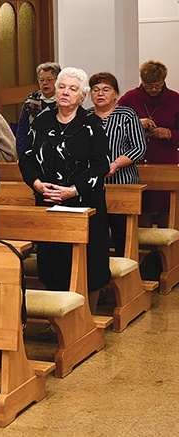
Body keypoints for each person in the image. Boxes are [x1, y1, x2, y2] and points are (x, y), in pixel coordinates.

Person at [19, 67, 111, 312]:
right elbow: (26, 158)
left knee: (89, 264)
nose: (65, 93)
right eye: (62, 87)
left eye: (72, 89)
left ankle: (87, 317)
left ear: (81, 96)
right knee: (52, 262)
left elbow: (101, 165)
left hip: (85, 204)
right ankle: (59, 316)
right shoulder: (41, 121)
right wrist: (36, 183)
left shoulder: (91, 124)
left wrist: (73, 190)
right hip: (49, 203)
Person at [88, 72, 146, 257]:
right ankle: (98, 275)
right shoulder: (85, 117)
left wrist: (115, 164)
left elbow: (139, 148)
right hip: (94, 186)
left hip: (123, 184)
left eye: (106, 89)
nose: (100, 94)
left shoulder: (127, 115)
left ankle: (127, 273)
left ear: (116, 94)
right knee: (96, 235)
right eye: (95, 90)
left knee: (121, 234)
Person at [118, 60, 179, 226]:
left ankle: (166, 249)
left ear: (164, 81)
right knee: (141, 204)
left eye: (157, 86)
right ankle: (144, 248)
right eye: (148, 85)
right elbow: (115, 123)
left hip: (165, 160)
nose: (153, 89)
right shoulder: (130, 98)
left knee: (166, 205)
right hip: (136, 160)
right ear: (142, 81)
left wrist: (169, 133)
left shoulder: (175, 99)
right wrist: (137, 122)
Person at [16, 62, 62, 155]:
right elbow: (22, 130)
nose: (45, 83)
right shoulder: (31, 100)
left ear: (58, 80)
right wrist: (22, 155)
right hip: (34, 151)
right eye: (42, 80)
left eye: (50, 79)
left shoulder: (64, 100)